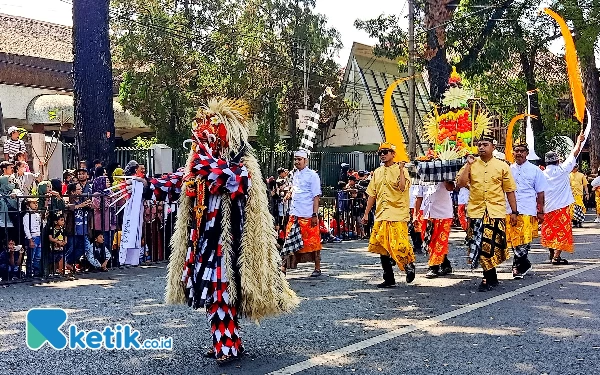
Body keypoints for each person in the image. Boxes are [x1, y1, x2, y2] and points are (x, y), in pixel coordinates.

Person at [456, 134, 518, 292]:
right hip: (476, 212)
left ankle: (489, 276)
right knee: (479, 245)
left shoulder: (502, 166)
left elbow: (509, 190)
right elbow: (460, 184)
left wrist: (514, 212)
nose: (481, 147)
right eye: (479, 144)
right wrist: (468, 165)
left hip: (495, 212)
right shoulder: (471, 164)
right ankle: (489, 277)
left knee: (490, 246)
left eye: (485, 144)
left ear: (493, 147)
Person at [361, 142, 416, 287]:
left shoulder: (401, 169)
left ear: (393, 154)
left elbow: (403, 187)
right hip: (381, 214)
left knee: (399, 244)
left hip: (397, 214)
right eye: (380, 152)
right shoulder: (377, 172)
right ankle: (389, 278)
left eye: (386, 152)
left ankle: (409, 265)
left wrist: (402, 169)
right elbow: (372, 195)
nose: (383, 155)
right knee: (383, 248)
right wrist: (366, 214)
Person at [541, 131, 586, 265]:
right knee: (561, 231)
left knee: (549, 231)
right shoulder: (563, 169)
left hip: (547, 208)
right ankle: (556, 256)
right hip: (561, 207)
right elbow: (575, 153)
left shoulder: (541, 174)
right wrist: (579, 140)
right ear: (558, 160)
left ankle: (552, 252)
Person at [506, 142, 548, 279]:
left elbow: (540, 193)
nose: (519, 153)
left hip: (528, 208)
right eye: (516, 150)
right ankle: (524, 263)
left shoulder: (535, 170)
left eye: (522, 151)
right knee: (513, 238)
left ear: (527, 153)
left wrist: (541, 211)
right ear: (513, 152)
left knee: (523, 238)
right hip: (510, 209)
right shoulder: (508, 170)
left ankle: (517, 266)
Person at [281, 150, 323, 277]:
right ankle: (283, 267)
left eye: (299, 159)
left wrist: (315, 214)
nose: (297, 162)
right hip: (294, 214)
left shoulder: (313, 176)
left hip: (308, 215)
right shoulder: (294, 174)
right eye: (295, 159)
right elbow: (295, 187)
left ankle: (317, 267)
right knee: (288, 240)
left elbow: (316, 196)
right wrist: (289, 194)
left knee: (313, 243)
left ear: (306, 161)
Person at [414, 181, 455, 278]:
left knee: (440, 241)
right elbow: (418, 197)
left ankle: (433, 267)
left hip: (444, 214)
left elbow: (451, 188)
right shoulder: (422, 177)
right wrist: (415, 215)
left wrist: (445, 178)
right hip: (427, 214)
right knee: (429, 241)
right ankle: (445, 264)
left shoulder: (446, 174)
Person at [23, 198, 42, 277]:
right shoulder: (26, 216)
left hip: (38, 236)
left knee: (38, 255)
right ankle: (29, 271)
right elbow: (26, 228)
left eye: (36, 203)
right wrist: (30, 239)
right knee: (31, 255)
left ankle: (36, 270)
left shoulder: (37, 215)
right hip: (32, 236)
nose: (35, 205)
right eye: (33, 203)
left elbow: (40, 225)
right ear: (28, 205)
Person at [569, 163, 588, 228]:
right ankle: (574, 222)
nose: (574, 169)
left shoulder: (581, 175)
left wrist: (587, 193)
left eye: (575, 167)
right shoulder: (569, 175)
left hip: (579, 195)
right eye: (573, 167)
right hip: (571, 195)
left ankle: (580, 222)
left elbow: (585, 185)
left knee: (580, 208)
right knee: (572, 209)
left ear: (577, 168)